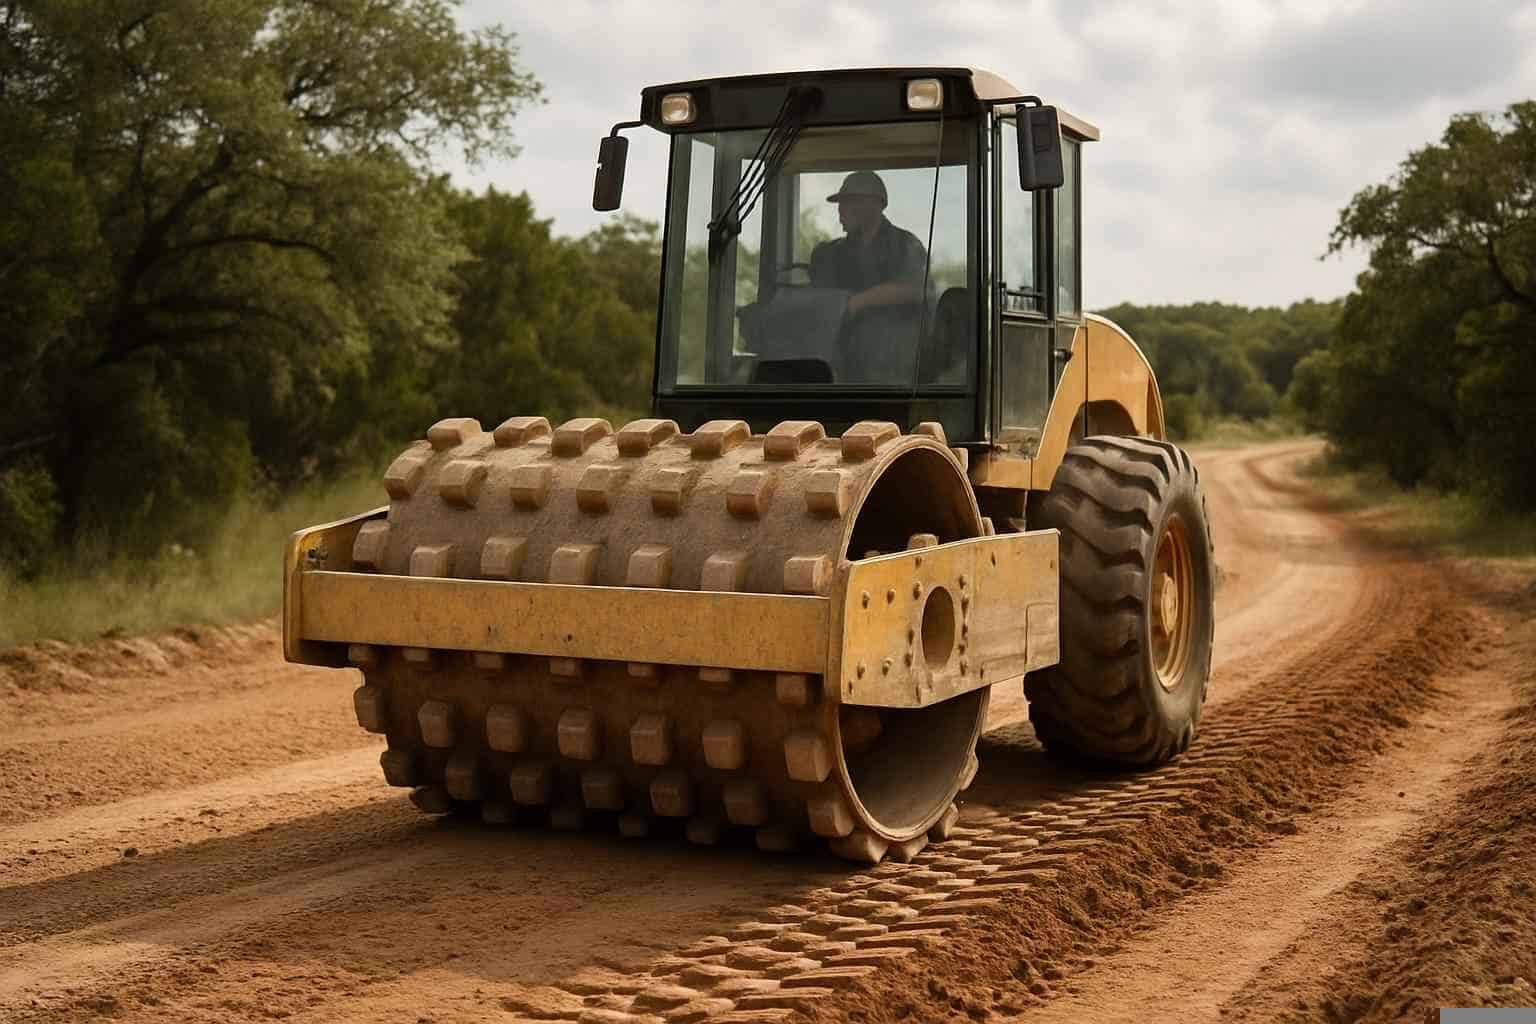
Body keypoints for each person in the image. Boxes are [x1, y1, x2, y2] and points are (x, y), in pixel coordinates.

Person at [809, 171, 929, 379]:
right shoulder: (831, 253)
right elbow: (818, 301)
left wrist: (858, 302)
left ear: (870, 204)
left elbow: (917, 289)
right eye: (840, 206)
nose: (840, 213)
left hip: (895, 369)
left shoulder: (905, 245)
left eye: (847, 204)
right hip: (845, 366)